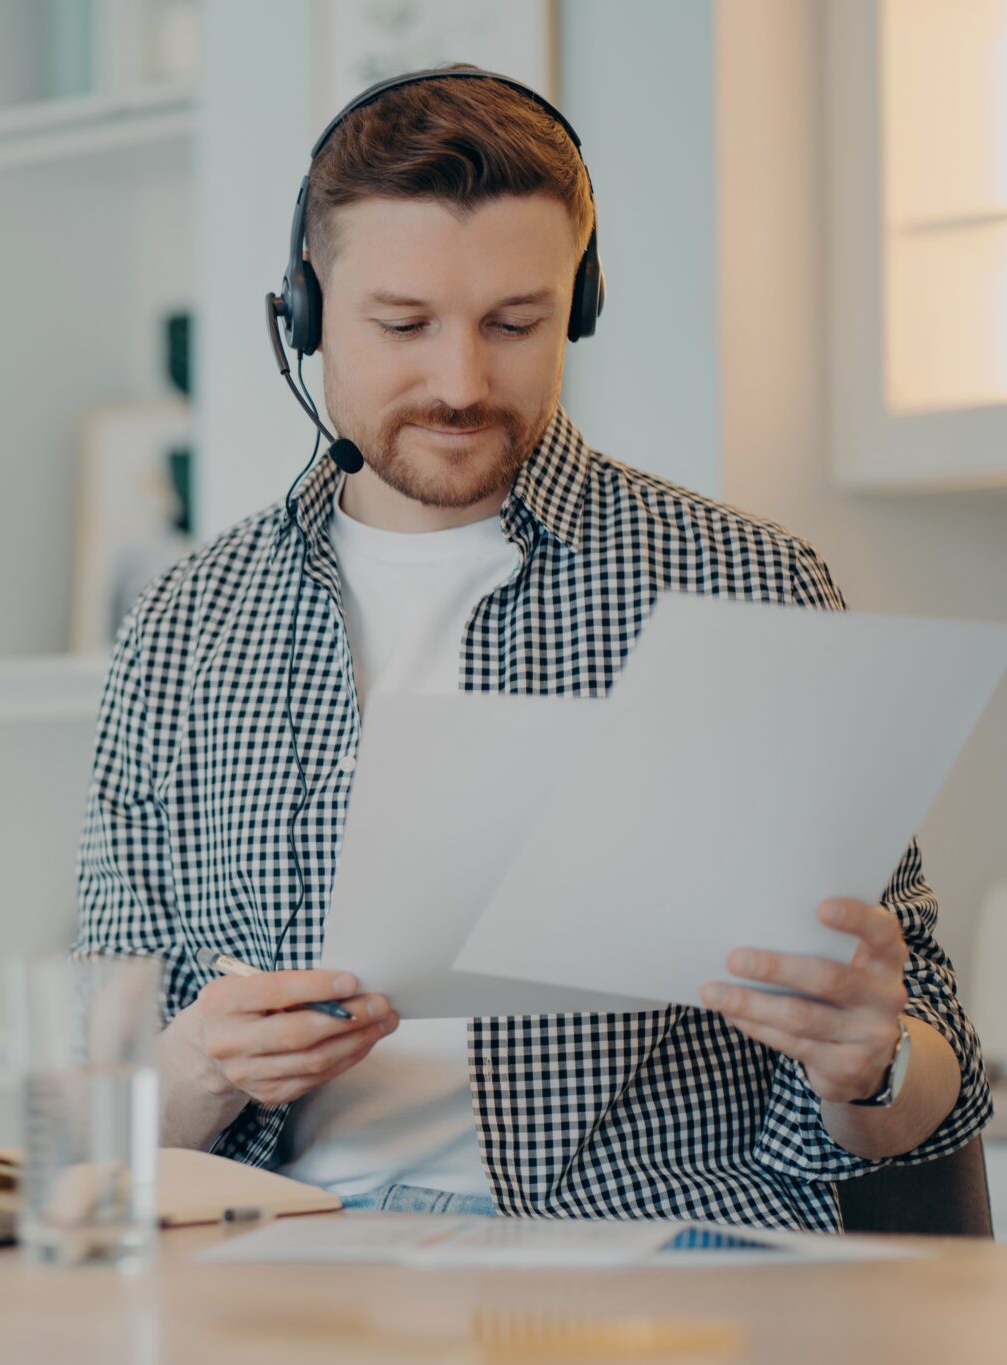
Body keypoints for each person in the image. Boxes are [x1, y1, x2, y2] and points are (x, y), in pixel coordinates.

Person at [72, 65, 991, 1230]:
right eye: (402, 325)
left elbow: (926, 1086)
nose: (461, 384)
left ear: (580, 306)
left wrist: (867, 1059)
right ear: (299, 316)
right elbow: (96, 1108)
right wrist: (198, 1065)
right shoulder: (187, 621)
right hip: (288, 1257)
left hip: (661, 1256)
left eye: (516, 325)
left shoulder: (748, 583)